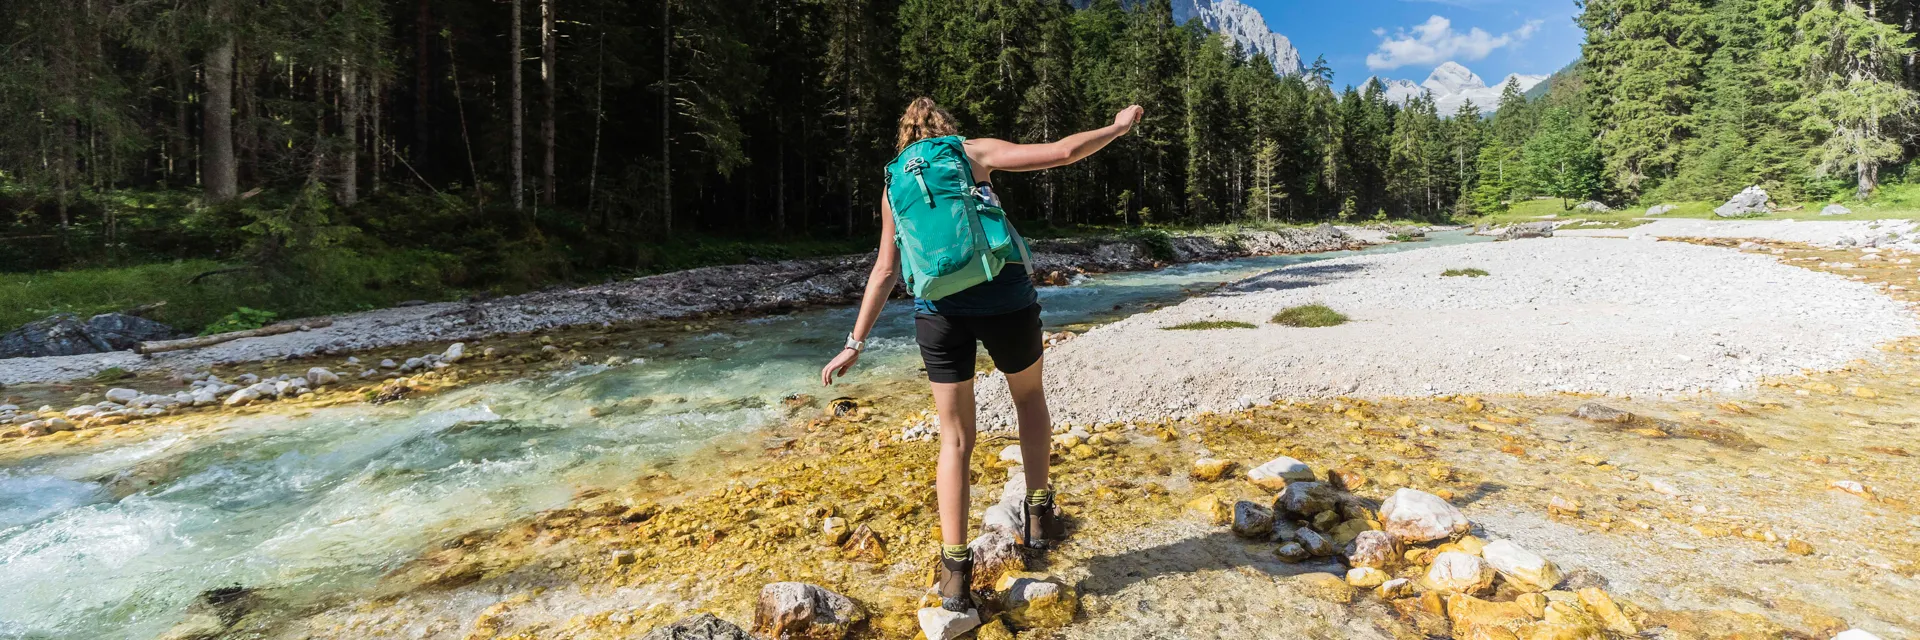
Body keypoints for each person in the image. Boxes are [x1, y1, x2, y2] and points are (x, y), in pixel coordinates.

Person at [820, 97, 1144, 613]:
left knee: (953, 439)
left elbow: (884, 270)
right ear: (945, 128)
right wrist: (1118, 127)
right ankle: (1038, 521)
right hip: (1004, 295)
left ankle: (955, 577)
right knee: (1029, 399)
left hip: (938, 311)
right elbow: (1061, 153)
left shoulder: (893, 187)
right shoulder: (972, 153)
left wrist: (853, 343)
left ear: (904, 139)